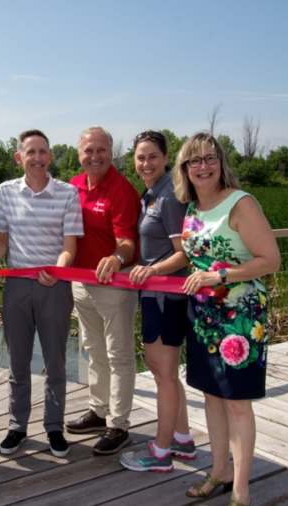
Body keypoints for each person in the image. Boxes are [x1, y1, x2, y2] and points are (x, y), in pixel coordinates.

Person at [173, 132, 280, 506]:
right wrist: (152, 268)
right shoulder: (193, 207)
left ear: (221, 163)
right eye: (195, 160)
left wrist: (219, 276)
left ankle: (241, 490)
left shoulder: (241, 203)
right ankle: (220, 471)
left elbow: (270, 260)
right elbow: (192, 256)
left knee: (236, 402)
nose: (203, 166)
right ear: (185, 168)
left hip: (239, 318)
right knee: (211, 395)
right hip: (203, 316)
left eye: (210, 158)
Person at [0, 129, 84, 457]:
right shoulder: (6, 191)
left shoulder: (68, 193)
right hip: (16, 286)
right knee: (17, 361)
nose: (37, 158)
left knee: (56, 362)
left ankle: (54, 427)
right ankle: (17, 427)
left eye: (43, 152)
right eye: (31, 152)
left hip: (55, 286)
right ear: (19, 158)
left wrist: (57, 270)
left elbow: (70, 247)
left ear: (50, 157)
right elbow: (1, 241)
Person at [119, 131, 194, 473]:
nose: (146, 163)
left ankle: (160, 453)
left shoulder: (170, 197)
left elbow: (183, 254)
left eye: (152, 156)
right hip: (153, 295)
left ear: (166, 158)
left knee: (163, 373)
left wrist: (151, 270)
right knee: (165, 371)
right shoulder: (150, 194)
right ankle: (182, 439)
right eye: (140, 157)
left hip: (166, 295)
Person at [66, 126, 141, 455]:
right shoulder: (73, 185)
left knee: (119, 355)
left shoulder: (121, 190)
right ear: (79, 154)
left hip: (114, 286)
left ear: (111, 153)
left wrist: (116, 258)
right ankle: (99, 411)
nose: (94, 156)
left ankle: (119, 424)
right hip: (81, 283)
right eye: (88, 150)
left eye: (101, 150)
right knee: (93, 351)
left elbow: (128, 243)